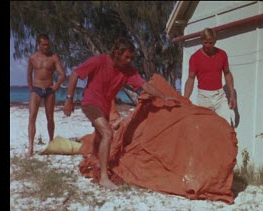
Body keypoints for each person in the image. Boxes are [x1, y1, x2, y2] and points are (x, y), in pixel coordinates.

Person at [63, 37, 180, 189]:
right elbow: (74, 74)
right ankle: (104, 178)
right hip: (90, 103)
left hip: (105, 107)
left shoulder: (128, 70)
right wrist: (69, 99)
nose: (129, 60)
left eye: (131, 57)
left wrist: (163, 96)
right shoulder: (98, 61)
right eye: (127, 57)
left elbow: (144, 85)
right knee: (107, 133)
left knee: (99, 134)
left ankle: (93, 157)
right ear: (116, 53)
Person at [184, 28, 237, 126]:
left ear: (215, 42)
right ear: (201, 41)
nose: (207, 46)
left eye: (210, 43)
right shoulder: (195, 58)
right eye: (205, 43)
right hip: (204, 98)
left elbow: (227, 73)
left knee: (226, 126)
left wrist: (232, 95)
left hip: (220, 96)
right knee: (206, 128)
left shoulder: (222, 54)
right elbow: (190, 79)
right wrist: (185, 98)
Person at [27, 34, 66, 157]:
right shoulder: (32, 58)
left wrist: (57, 85)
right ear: (39, 44)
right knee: (32, 117)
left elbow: (62, 74)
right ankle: (31, 147)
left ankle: (51, 141)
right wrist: (30, 88)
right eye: (43, 44)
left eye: (47, 44)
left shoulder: (54, 57)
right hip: (36, 89)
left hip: (49, 90)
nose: (46, 47)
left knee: (50, 118)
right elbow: (29, 73)